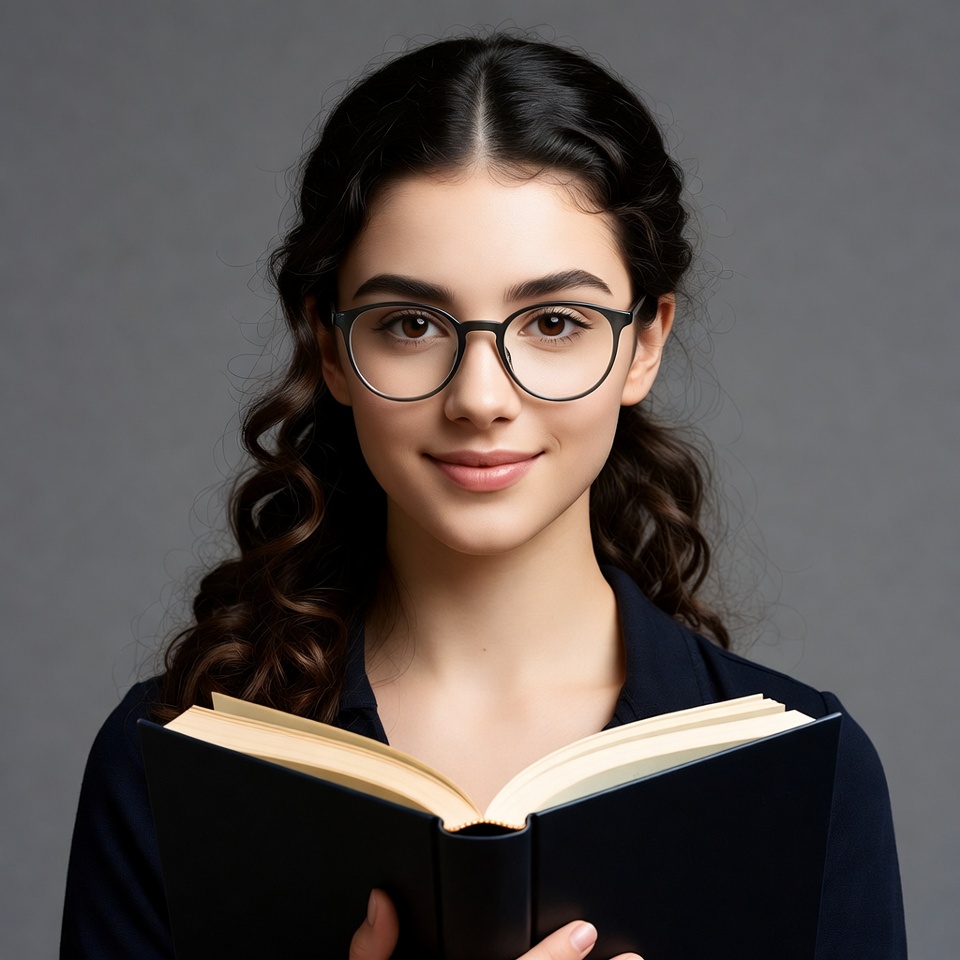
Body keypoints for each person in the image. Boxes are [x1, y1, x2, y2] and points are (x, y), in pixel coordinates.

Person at [60, 32, 906, 960]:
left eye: (555, 321)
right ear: (330, 346)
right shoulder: (167, 763)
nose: (480, 398)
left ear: (645, 342)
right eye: (410, 324)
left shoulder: (810, 775)